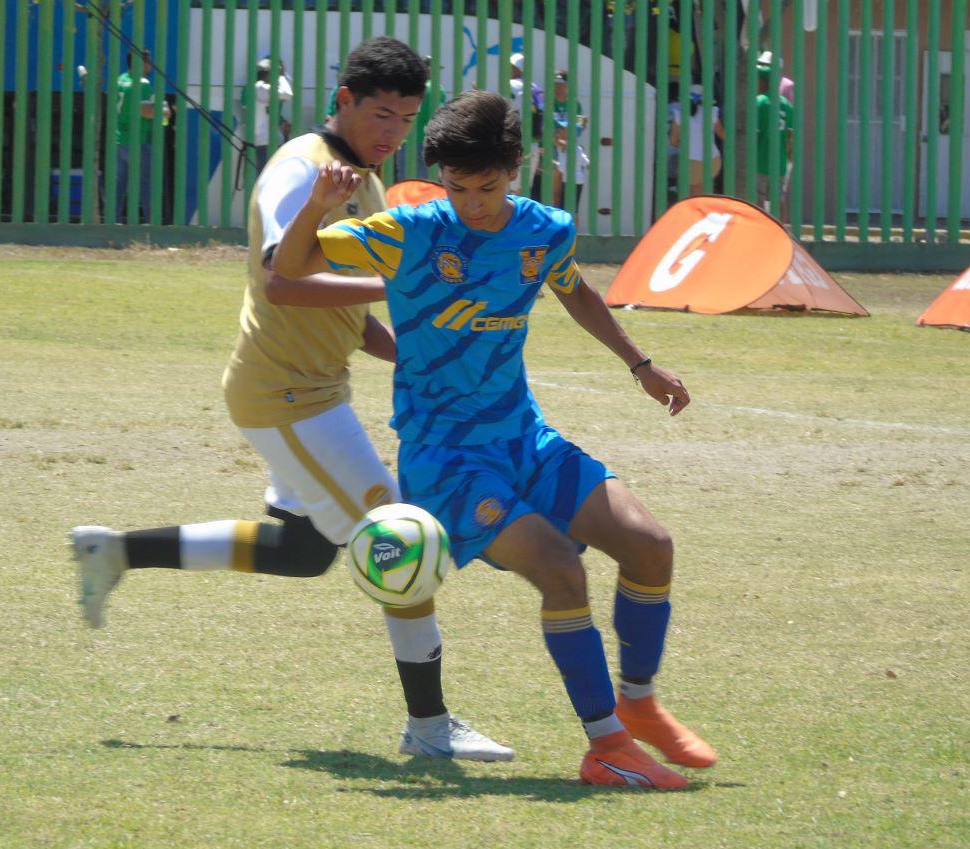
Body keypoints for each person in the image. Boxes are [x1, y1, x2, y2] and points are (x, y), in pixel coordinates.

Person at [72, 38, 512, 763]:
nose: (391, 132)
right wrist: (403, 284)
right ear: (342, 99)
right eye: (378, 114)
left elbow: (341, 311)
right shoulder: (302, 169)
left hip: (307, 389)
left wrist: (417, 352)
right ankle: (430, 727)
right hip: (289, 395)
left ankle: (115, 550)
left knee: (306, 550)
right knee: (398, 533)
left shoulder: (363, 178)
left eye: (405, 119)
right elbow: (283, 276)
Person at [272, 90, 717, 790]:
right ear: (439, 177)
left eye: (488, 187)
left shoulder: (546, 229)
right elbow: (287, 271)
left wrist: (639, 362)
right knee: (561, 569)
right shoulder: (406, 231)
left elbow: (572, 287)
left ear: (518, 169)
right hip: (446, 460)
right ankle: (605, 747)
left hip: (523, 438)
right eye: (457, 187)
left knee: (650, 545)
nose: (473, 204)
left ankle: (638, 702)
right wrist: (316, 205)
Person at [115, 51, 171, 224]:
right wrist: (164, 111)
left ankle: (113, 220)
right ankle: (150, 221)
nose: (151, 66)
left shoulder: (121, 79)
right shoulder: (143, 84)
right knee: (146, 184)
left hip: (119, 140)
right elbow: (146, 112)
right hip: (138, 141)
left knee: (119, 185)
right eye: (148, 62)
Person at [670, 83, 725, 198]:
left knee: (693, 195)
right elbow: (723, 136)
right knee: (706, 191)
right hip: (713, 159)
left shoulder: (679, 115)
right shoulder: (712, 112)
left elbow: (673, 142)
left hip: (690, 160)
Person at [755, 62, 794, 222]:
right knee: (778, 200)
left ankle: (760, 233)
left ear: (763, 81)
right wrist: (788, 159)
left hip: (760, 160)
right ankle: (783, 233)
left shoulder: (759, 102)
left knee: (758, 200)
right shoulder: (787, 105)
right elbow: (790, 136)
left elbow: (754, 135)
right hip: (779, 162)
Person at [507, 52, 545, 201]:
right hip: (533, 145)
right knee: (524, 192)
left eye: (510, 66)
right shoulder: (535, 89)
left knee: (510, 191)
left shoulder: (512, 85)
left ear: (516, 68)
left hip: (514, 144)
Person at [250, 56, 294, 173]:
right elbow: (287, 93)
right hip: (266, 142)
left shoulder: (260, 89)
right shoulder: (260, 88)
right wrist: (281, 76)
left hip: (269, 141)